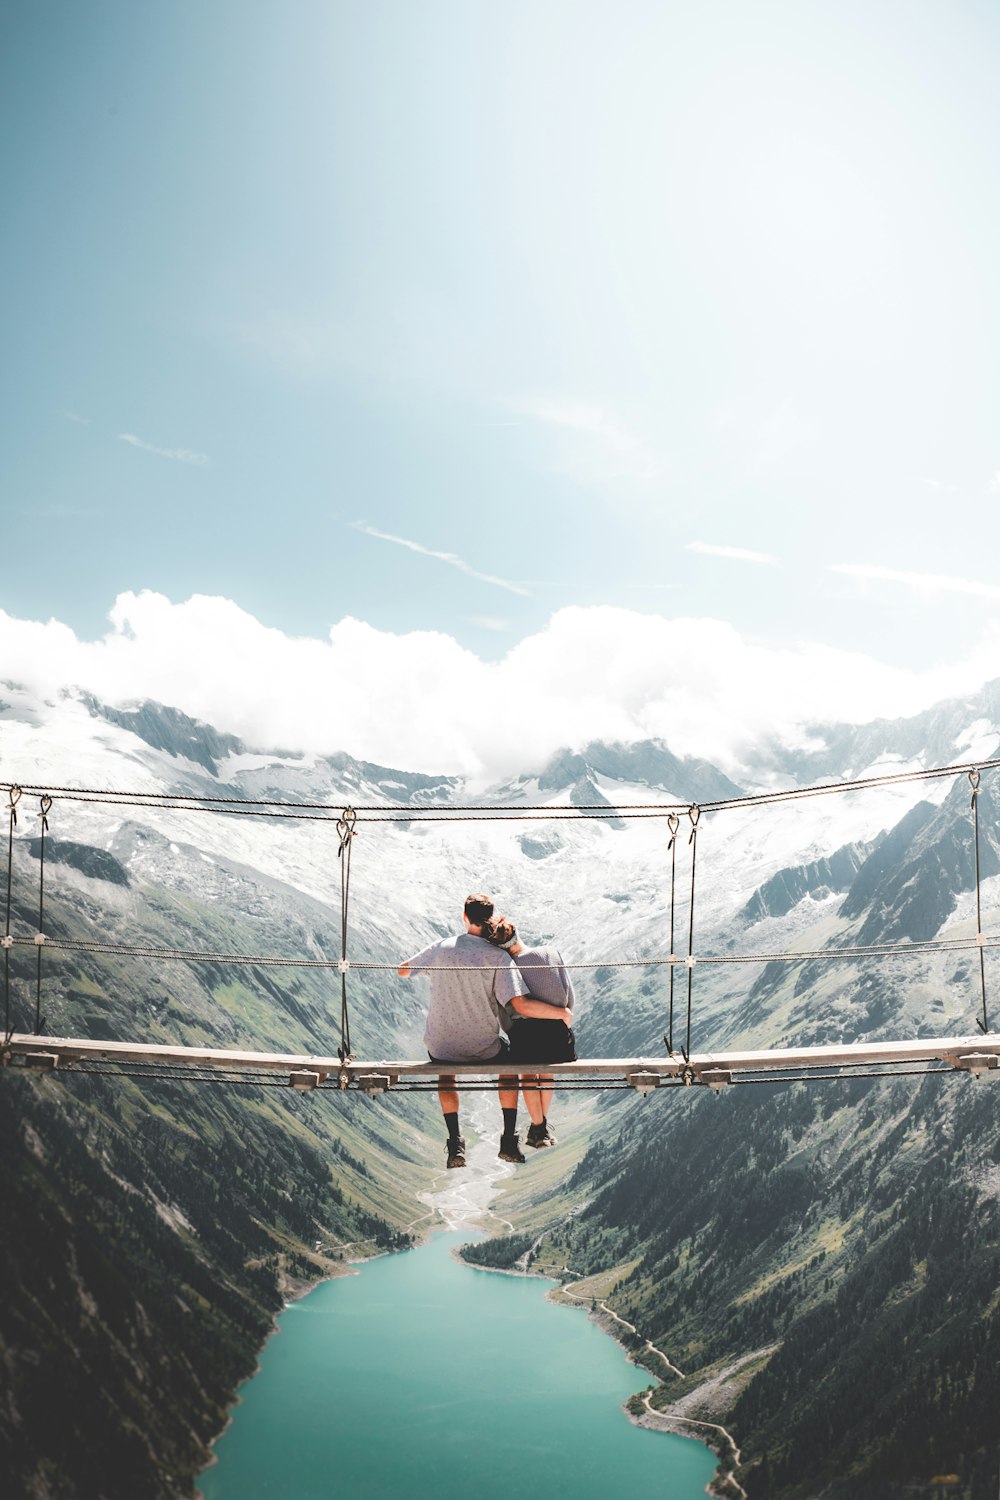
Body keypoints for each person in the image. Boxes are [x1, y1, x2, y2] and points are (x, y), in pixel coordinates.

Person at [398, 893, 562, 1170]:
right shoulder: (497, 956)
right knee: (509, 1064)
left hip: (441, 1045)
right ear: (489, 919)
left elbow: (403, 971)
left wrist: (435, 970)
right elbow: (517, 1002)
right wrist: (561, 1014)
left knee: (444, 1071)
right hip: (483, 1046)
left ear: (464, 917)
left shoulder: (440, 948)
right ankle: (509, 1139)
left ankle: (455, 1144)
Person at [485, 917, 575, 1150]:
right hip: (559, 1036)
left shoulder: (508, 967)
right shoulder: (550, 953)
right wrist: (561, 1015)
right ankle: (540, 1129)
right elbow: (569, 997)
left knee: (528, 1075)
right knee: (547, 1074)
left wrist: (512, 1030)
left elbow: (512, 1010)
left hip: (527, 1037)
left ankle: (539, 1127)